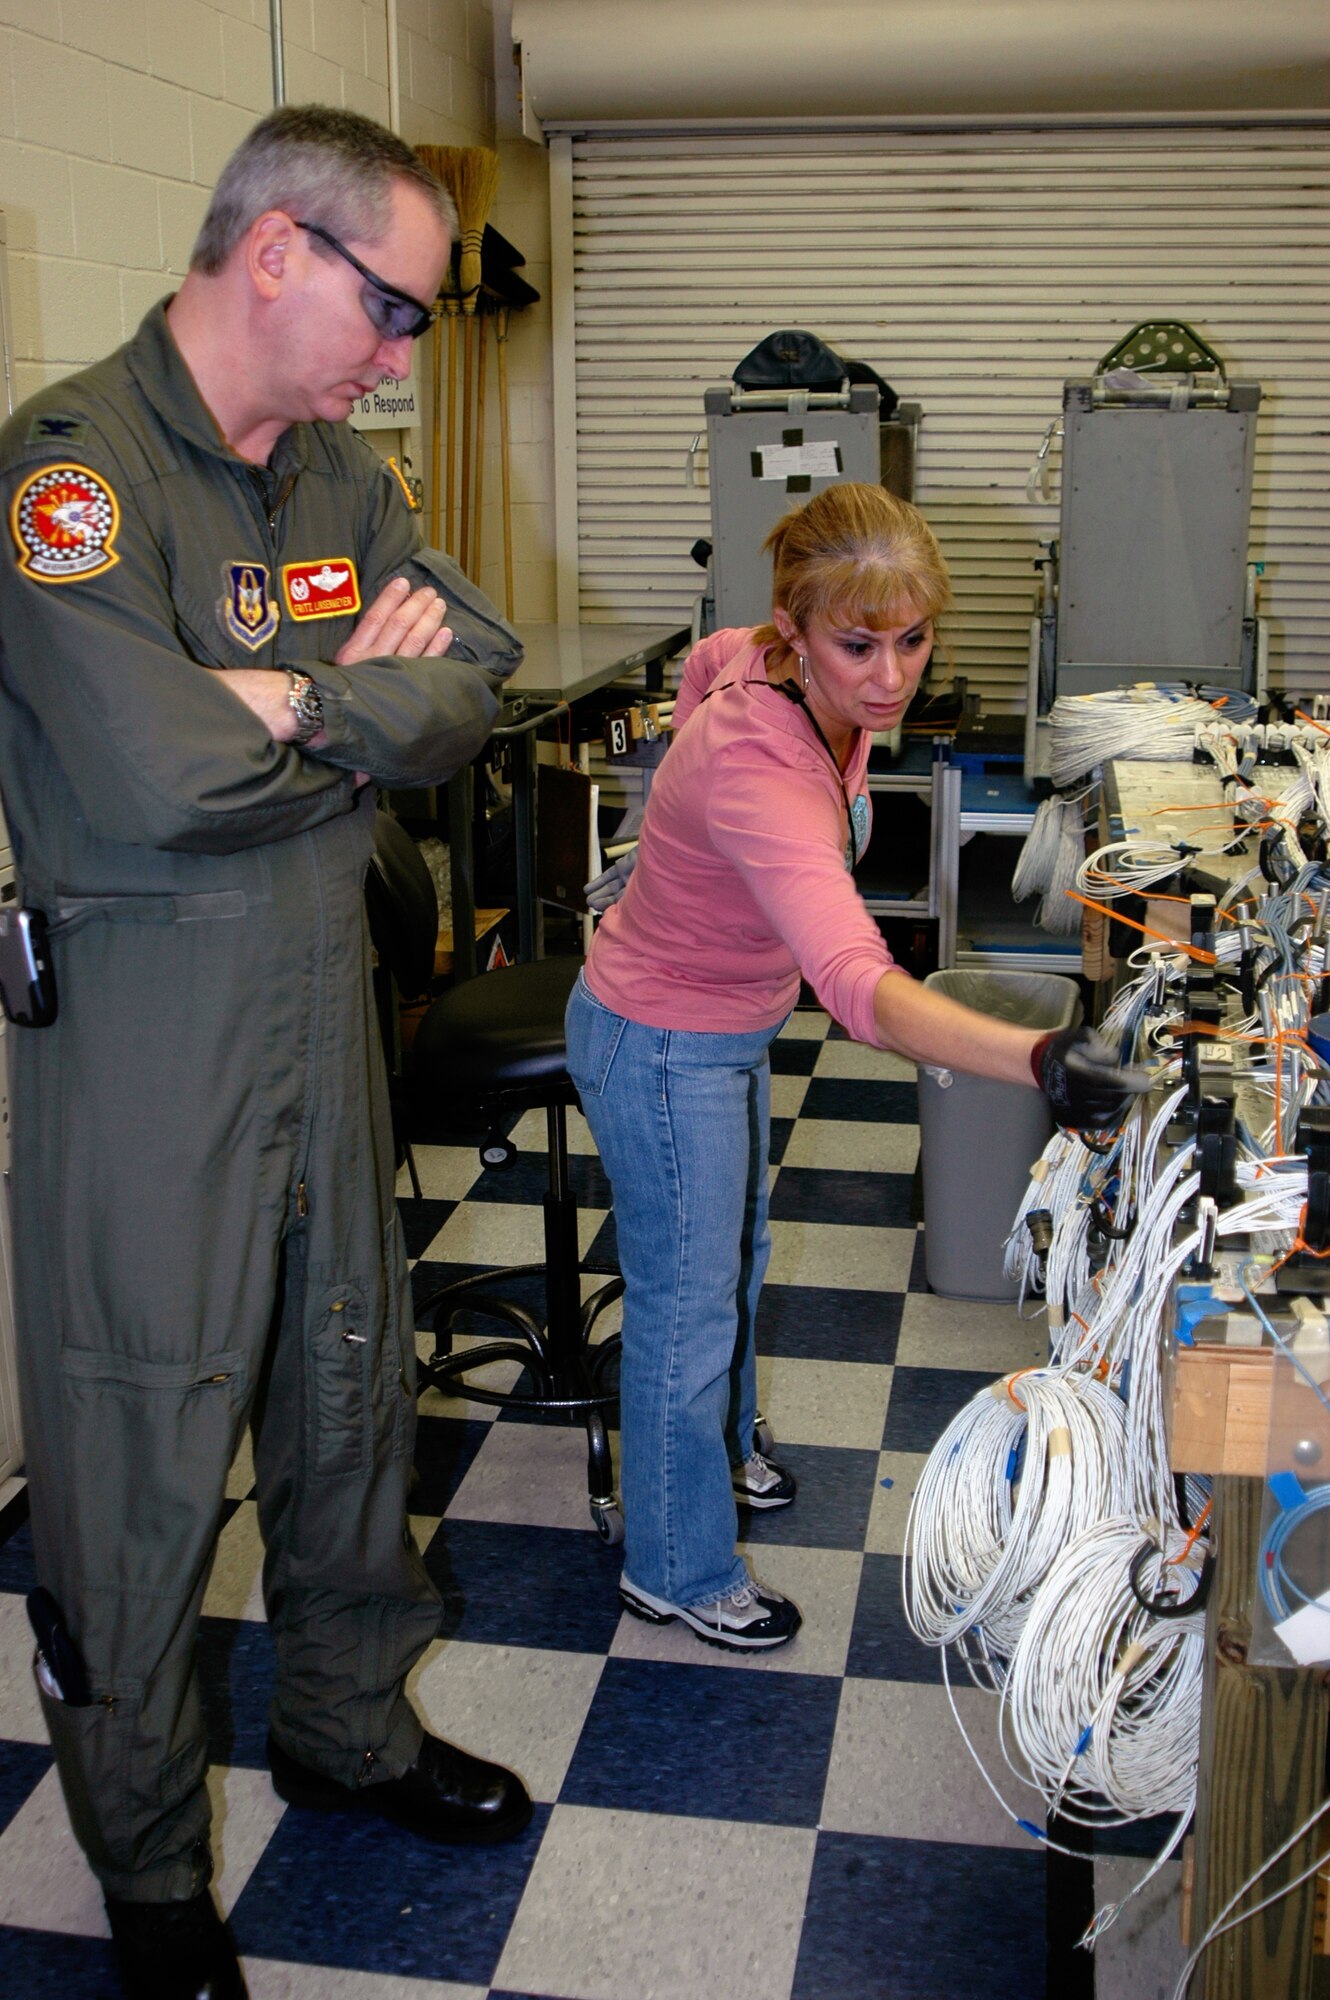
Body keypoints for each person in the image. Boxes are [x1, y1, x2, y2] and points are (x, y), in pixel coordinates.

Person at [0, 105, 532, 2000]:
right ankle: (147, 1871)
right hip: (153, 1053)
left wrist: (299, 700)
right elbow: (152, 769)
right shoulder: (71, 478)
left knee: (347, 1398)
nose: (403, 360)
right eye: (391, 310)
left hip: (325, 1007)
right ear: (278, 250)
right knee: (142, 1457)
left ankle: (349, 1730)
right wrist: (350, 729)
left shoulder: (334, 478)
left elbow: (476, 670)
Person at [567, 482, 1145, 1654]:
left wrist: (663, 859)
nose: (891, 676)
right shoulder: (761, 765)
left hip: (720, 1019)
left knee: (735, 1252)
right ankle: (673, 1565)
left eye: (913, 638)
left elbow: (700, 667)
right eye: (859, 644)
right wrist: (1037, 1054)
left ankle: (718, 1453)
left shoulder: (760, 660)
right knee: (685, 1305)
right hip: (663, 1034)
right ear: (796, 626)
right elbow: (857, 983)